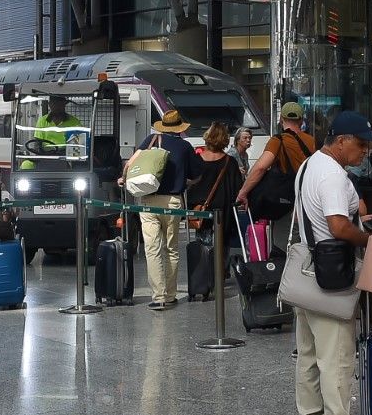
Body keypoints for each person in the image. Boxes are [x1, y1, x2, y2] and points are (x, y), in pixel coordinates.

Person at [292, 111, 372, 415]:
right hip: (330, 274)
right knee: (337, 352)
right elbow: (338, 227)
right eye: (361, 145)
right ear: (341, 141)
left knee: (310, 351)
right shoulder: (331, 175)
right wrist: (370, 241)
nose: (365, 152)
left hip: (307, 270)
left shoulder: (310, 165)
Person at [134, 108, 194, 311]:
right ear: (179, 127)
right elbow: (196, 174)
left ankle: (158, 296)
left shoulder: (150, 140)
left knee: (152, 249)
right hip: (173, 202)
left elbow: (133, 163)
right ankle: (170, 295)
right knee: (171, 249)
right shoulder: (185, 147)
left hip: (148, 200)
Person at [236, 101, 315, 218]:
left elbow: (261, 167)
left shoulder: (278, 140)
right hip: (308, 201)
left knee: (283, 235)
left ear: (281, 119)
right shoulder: (312, 141)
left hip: (285, 204)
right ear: (301, 120)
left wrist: (243, 192)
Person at [186, 122, 242, 257]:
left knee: (203, 244)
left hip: (201, 209)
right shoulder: (230, 162)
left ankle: (204, 269)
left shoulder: (196, 160)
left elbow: (189, 184)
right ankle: (220, 272)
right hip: (224, 211)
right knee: (222, 245)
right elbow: (237, 189)